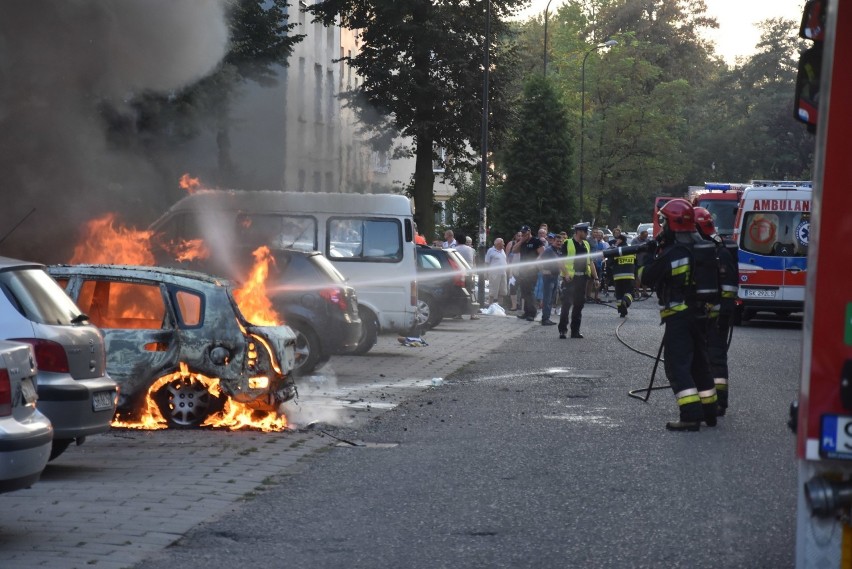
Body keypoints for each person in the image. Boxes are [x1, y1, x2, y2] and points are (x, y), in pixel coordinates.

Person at [638, 198, 718, 431]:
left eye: (664, 222)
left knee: (678, 366)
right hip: (700, 315)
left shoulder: (674, 252)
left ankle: (691, 415)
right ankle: (709, 412)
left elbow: (647, 277)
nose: (662, 227)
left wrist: (645, 254)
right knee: (700, 364)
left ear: (674, 224)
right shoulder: (700, 246)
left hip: (679, 316)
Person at [694, 207, 738, 416]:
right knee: (701, 359)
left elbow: (729, 288)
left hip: (717, 317)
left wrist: (725, 316)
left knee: (716, 359)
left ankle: (720, 402)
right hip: (701, 316)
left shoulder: (720, 252)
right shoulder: (702, 248)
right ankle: (706, 400)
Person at [558, 223, 599, 338]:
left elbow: (590, 262)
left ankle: (575, 331)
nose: (587, 234)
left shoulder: (586, 244)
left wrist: (595, 278)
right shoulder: (567, 243)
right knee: (566, 305)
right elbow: (560, 261)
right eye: (585, 231)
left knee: (579, 305)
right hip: (570, 279)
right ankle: (563, 330)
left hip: (582, 279)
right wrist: (566, 274)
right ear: (579, 231)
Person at [517, 225, 544, 321]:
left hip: (532, 271)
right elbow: (514, 250)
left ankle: (532, 313)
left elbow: (542, 253)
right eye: (522, 233)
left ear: (529, 232)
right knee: (524, 292)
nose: (523, 234)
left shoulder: (536, 241)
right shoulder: (523, 242)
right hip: (523, 270)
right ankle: (526, 312)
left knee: (530, 291)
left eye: (525, 233)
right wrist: (521, 240)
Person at [538, 234, 562, 326]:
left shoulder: (558, 251)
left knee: (551, 299)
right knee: (547, 299)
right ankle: (545, 319)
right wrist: (543, 270)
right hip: (549, 277)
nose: (559, 243)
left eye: (560, 241)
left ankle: (547, 318)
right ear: (553, 241)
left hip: (555, 277)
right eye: (557, 241)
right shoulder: (549, 250)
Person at [453, 234, 479, 319]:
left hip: (459, 275)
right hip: (469, 273)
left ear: (457, 241)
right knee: (471, 293)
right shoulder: (471, 250)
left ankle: (458, 314)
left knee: (459, 293)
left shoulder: (455, 250)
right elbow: (474, 262)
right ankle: (473, 314)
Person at [610, 234, 636, 317]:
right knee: (630, 293)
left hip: (617, 276)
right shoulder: (631, 250)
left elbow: (610, 263)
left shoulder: (616, 250)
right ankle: (625, 301)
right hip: (629, 276)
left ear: (621, 240)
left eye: (617, 240)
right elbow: (636, 262)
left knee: (619, 294)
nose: (616, 241)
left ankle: (622, 312)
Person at [484, 237, 508, 306]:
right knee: (493, 291)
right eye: (502, 242)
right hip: (494, 273)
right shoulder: (490, 250)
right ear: (498, 244)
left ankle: (500, 306)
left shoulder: (503, 251)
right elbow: (487, 262)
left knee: (502, 291)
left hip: (503, 273)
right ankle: (490, 305)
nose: (504, 244)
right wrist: (486, 273)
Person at [631, 229, 652, 298]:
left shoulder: (648, 241)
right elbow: (633, 249)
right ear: (641, 235)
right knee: (638, 277)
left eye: (647, 236)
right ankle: (637, 292)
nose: (646, 237)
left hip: (646, 261)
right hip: (638, 261)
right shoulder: (635, 240)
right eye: (645, 236)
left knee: (645, 277)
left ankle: (644, 292)